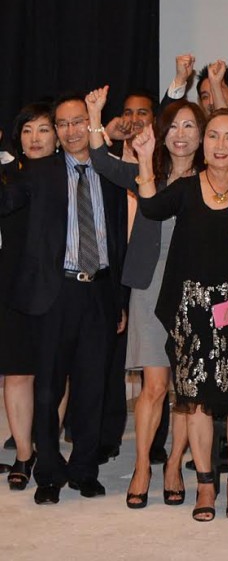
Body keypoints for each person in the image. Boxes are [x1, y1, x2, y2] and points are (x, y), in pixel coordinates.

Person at [0, 93, 128, 505]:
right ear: (56, 131)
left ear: (89, 126)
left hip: (100, 291)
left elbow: (120, 241)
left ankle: (85, 470)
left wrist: (119, 299)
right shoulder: (39, 173)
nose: (70, 131)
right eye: (63, 123)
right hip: (56, 294)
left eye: (78, 122)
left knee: (92, 386)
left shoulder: (109, 172)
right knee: (48, 389)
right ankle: (49, 473)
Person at [135, 108, 228, 522]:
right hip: (189, 308)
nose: (220, 145)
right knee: (198, 401)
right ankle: (206, 483)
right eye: (213, 137)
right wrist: (145, 157)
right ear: (203, 143)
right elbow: (150, 207)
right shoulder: (187, 187)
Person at [85, 90, 199, 509]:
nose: (182, 135)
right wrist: (96, 115)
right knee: (154, 385)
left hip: (195, 288)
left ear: (202, 136)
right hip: (150, 285)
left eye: (191, 126)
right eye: (174, 127)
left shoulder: (213, 178)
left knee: (187, 391)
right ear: (161, 135)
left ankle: (173, 465)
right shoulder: (147, 172)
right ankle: (141, 467)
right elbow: (100, 162)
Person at [0, 103, 58, 491]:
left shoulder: (74, 174)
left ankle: (50, 449)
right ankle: (24, 452)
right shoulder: (7, 177)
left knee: (55, 375)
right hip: (12, 286)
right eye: (27, 131)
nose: (34, 138)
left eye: (43, 130)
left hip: (61, 285)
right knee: (18, 373)